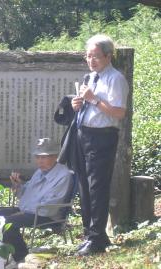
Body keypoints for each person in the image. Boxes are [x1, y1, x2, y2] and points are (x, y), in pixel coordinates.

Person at [71, 34, 129, 256]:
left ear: (108, 56)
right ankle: (91, 235)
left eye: (95, 56)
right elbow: (89, 104)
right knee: (85, 187)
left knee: (97, 187)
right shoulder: (90, 77)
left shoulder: (116, 79)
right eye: (88, 56)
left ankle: (97, 239)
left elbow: (118, 113)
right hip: (83, 134)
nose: (91, 60)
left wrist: (93, 99)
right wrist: (78, 104)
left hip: (102, 137)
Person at [0, 138, 73, 263]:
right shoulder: (39, 172)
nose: (39, 161)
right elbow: (25, 195)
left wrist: (22, 212)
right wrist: (18, 185)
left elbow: (50, 206)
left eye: (44, 157)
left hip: (46, 214)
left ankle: (22, 258)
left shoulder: (64, 175)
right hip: (27, 210)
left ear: (54, 156)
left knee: (8, 224)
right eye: (37, 157)